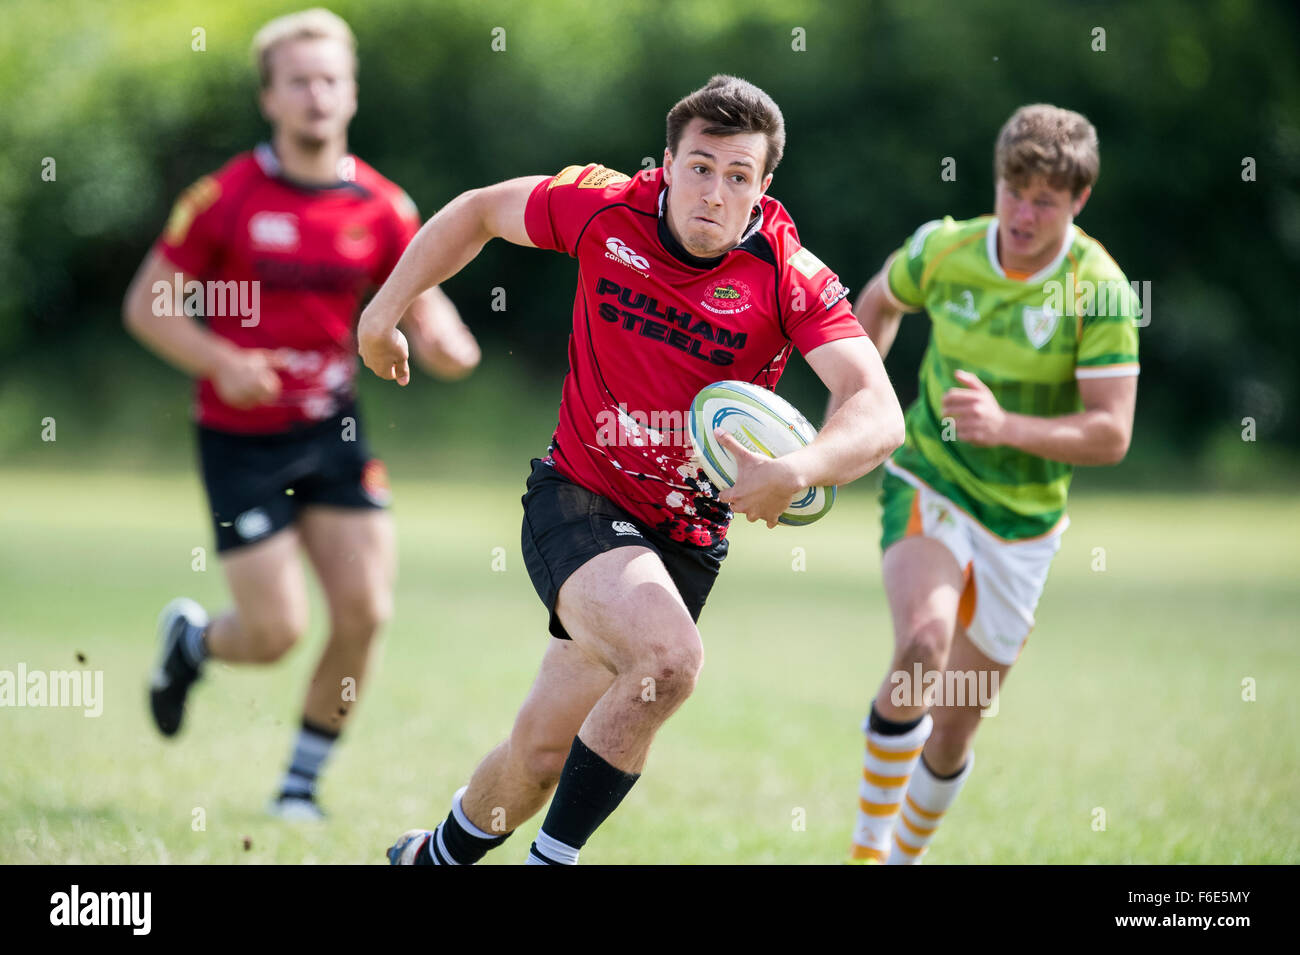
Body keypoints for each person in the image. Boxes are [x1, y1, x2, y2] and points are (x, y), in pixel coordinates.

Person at [359, 75, 905, 864]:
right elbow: (479, 210)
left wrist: (801, 467)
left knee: (540, 755)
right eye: (701, 166)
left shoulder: (788, 275)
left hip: (682, 537)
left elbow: (875, 406)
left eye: (738, 176)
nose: (714, 193)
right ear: (667, 163)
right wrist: (384, 311)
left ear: (763, 187)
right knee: (670, 660)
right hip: (576, 497)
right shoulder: (604, 207)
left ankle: (427, 857)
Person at [122, 8, 480, 821]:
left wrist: (447, 343)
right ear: (270, 99)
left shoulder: (384, 206)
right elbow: (148, 307)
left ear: (351, 94)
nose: (317, 95)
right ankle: (193, 642)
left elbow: (422, 306)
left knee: (365, 612)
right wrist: (223, 360)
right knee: (276, 629)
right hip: (240, 441)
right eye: (299, 82)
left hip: (334, 434)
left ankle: (298, 789)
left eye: (331, 80)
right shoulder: (224, 198)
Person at [839, 104, 1140, 863]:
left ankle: (905, 853)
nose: (1023, 213)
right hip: (932, 477)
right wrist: (858, 413)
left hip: (1026, 523)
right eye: (1013, 190)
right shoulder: (946, 249)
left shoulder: (1098, 288)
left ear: (1080, 200)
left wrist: (1008, 426)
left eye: (1045, 199)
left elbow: (1112, 431)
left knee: (956, 722)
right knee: (922, 644)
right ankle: (868, 854)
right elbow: (875, 303)